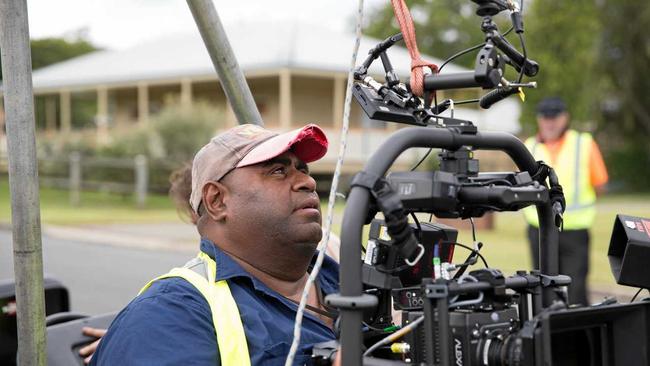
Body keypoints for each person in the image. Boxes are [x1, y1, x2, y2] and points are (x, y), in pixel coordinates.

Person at [89, 123, 340, 365]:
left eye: (303, 170)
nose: (308, 182)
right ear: (217, 200)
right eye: (278, 171)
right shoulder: (167, 318)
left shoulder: (355, 278)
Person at [523, 97, 609, 306]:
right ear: (538, 119)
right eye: (545, 117)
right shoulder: (528, 146)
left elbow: (600, 185)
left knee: (576, 291)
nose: (550, 122)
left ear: (565, 118)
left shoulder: (584, 144)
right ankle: (547, 336)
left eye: (555, 117)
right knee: (543, 288)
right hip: (540, 230)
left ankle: (578, 338)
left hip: (575, 232)